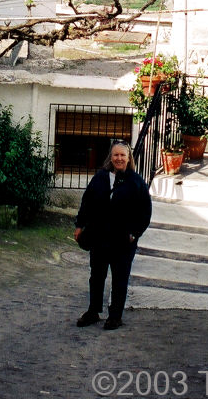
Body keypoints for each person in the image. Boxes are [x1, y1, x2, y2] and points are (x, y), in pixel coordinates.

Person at [74, 139, 152, 330]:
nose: (119, 158)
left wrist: (134, 234)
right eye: (115, 155)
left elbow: (145, 212)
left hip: (122, 241)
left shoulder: (136, 182)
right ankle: (93, 311)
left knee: (120, 278)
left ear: (128, 158)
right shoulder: (100, 178)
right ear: (111, 157)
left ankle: (115, 316)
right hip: (99, 237)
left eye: (122, 155)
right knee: (97, 276)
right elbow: (87, 202)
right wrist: (80, 225)